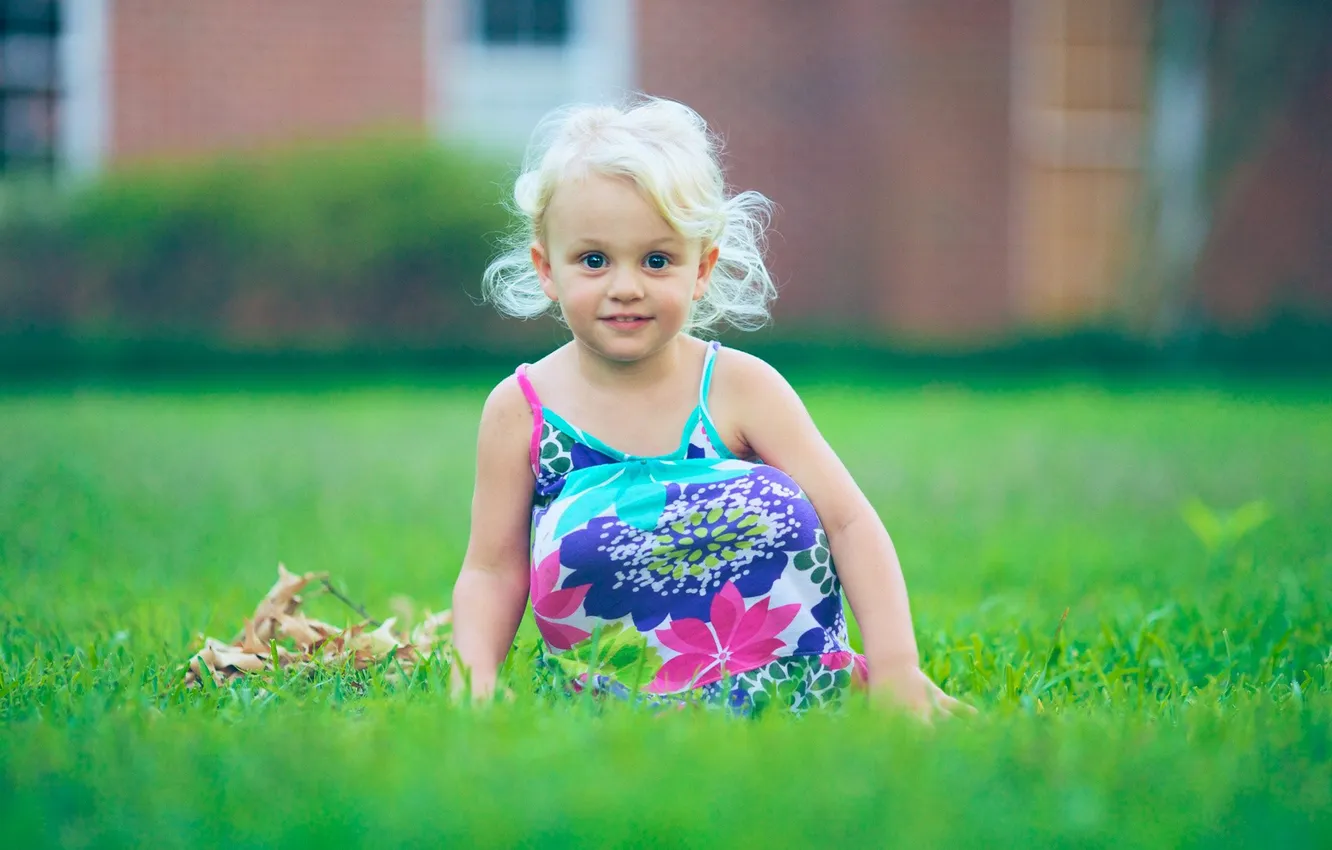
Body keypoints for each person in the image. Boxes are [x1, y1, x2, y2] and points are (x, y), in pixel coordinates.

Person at [451, 95, 967, 717]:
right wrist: (473, 680)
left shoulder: (740, 387)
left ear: (702, 269)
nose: (625, 287)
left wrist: (896, 669)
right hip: (608, 711)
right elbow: (492, 571)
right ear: (546, 269)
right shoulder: (522, 409)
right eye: (593, 260)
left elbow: (849, 523)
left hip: (798, 693)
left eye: (657, 260)